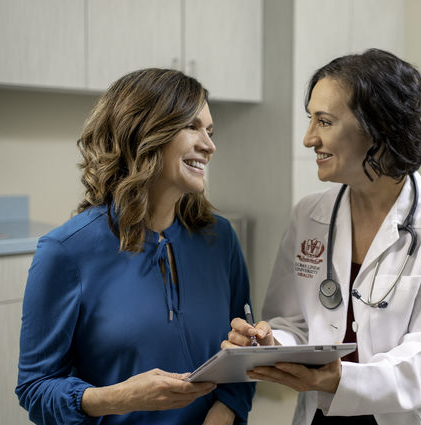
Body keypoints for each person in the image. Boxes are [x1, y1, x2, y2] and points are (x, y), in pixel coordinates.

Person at [224, 49, 421, 425]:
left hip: (415, 415)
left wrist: (344, 378)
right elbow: (293, 322)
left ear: (378, 127)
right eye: (311, 120)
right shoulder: (309, 216)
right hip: (326, 411)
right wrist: (270, 342)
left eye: (324, 121)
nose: (308, 139)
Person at [15, 68, 254, 425]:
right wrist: (119, 398)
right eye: (191, 126)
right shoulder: (64, 252)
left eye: (210, 130)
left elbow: (241, 355)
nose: (209, 144)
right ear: (143, 132)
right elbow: (36, 388)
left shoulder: (219, 239)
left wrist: (223, 413)